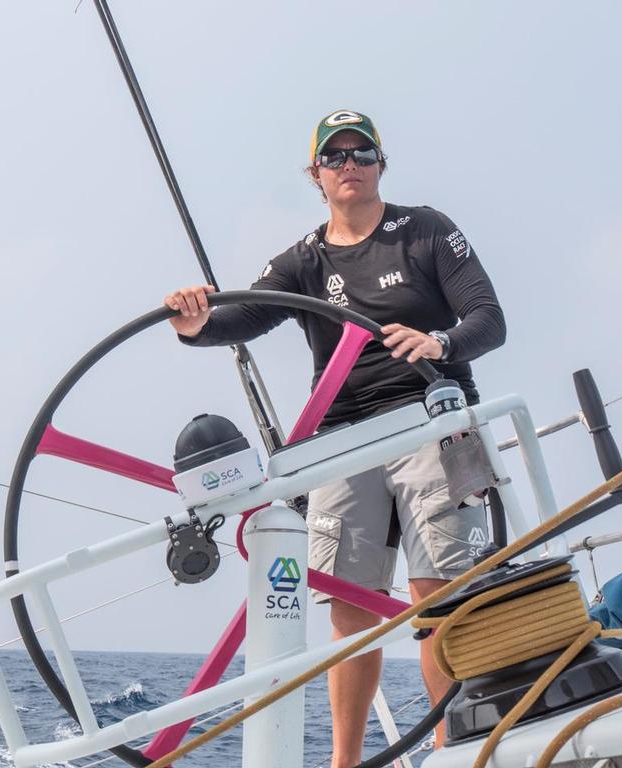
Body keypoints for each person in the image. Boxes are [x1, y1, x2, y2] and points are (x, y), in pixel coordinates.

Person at [164, 109, 506, 767]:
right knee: (350, 608)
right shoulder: (304, 260)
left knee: (437, 594)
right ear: (316, 174)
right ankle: (343, 762)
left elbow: (489, 319)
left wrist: (440, 342)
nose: (349, 165)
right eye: (335, 156)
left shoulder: (427, 231)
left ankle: (448, 749)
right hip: (345, 440)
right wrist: (191, 320)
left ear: (381, 164)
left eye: (362, 153)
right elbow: (240, 318)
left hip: (431, 422)